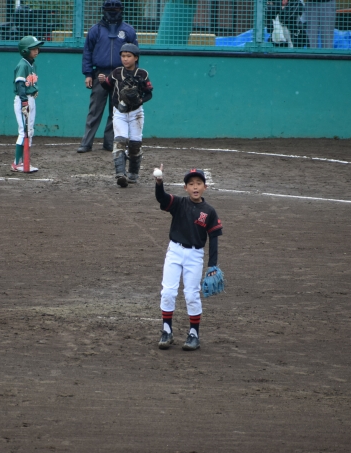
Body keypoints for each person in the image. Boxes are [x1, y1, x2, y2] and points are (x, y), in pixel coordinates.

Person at [154, 167, 223, 351]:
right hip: (174, 251)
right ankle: (166, 331)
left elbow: (214, 238)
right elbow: (162, 198)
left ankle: (194, 334)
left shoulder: (209, 211)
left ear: (205, 187)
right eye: (191, 184)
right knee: (168, 292)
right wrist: (159, 183)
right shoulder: (179, 203)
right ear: (185, 188)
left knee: (192, 295)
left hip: (195, 255)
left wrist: (212, 265)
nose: (195, 187)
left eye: (199, 183)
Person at [77, 0, 138, 154]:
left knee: (116, 110)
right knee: (95, 109)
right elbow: (87, 52)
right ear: (103, 10)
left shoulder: (128, 30)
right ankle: (86, 143)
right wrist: (88, 74)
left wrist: (131, 75)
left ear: (121, 10)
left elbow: (135, 53)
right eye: (109, 8)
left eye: (116, 8)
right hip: (100, 74)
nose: (112, 11)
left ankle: (109, 142)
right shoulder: (95, 30)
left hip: (120, 75)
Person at [98, 43, 153, 187]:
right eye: (123, 56)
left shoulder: (142, 74)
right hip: (119, 112)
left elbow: (149, 94)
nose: (125, 59)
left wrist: (140, 100)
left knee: (135, 144)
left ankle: (133, 174)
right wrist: (102, 81)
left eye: (129, 56)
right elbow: (107, 86)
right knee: (120, 140)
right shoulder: (116, 72)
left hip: (136, 113)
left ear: (136, 58)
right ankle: (120, 174)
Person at [11, 36, 44, 172]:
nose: (36, 51)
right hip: (22, 100)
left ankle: (25, 162)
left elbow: (29, 83)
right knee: (23, 131)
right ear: (25, 50)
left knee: (29, 131)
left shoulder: (32, 64)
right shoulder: (23, 65)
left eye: (37, 48)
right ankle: (17, 163)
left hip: (30, 100)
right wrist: (24, 101)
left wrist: (34, 91)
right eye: (33, 48)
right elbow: (20, 84)